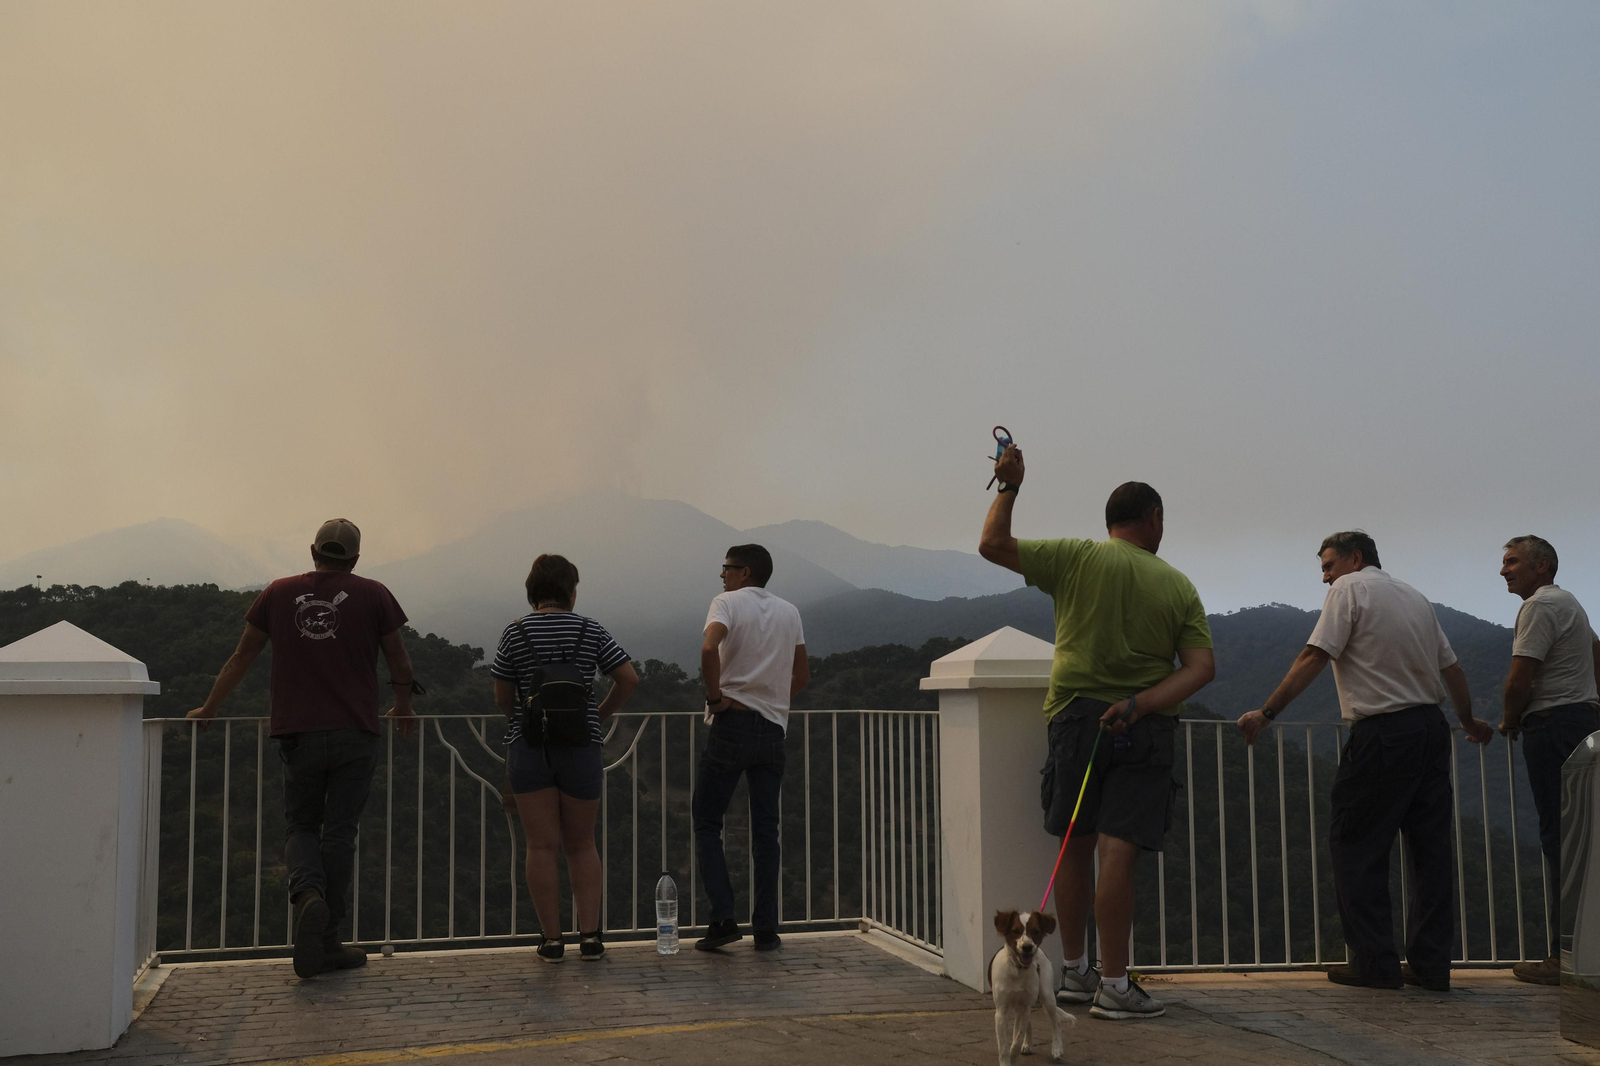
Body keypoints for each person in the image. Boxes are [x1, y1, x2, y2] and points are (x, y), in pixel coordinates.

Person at [979, 445, 1215, 1021]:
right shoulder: (1178, 585)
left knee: (1075, 846)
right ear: (1153, 518)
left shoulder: (1076, 558)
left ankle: (1077, 975)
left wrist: (1008, 485)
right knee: (1118, 853)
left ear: (1109, 522)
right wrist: (1137, 703)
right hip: (1145, 726)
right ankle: (1115, 985)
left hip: (1074, 717)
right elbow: (1201, 668)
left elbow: (991, 545)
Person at [1237, 531, 1493, 991]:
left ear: (1355, 559)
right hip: (1431, 730)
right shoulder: (1415, 597)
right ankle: (1432, 966)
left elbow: (1315, 654)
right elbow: (1450, 667)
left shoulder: (1349, 589)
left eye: (1328, 566)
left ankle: (1375, 963)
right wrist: (1468, 720)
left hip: (1383, 734)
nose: (1325, 577)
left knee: (1355, 843)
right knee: (1429, 852)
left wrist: (1268, 711)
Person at [187, 518, 416, 979]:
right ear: (354, 559)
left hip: (298, 734)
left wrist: (210, 707)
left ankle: (307, 896)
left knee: (301, 827)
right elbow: (398, 658)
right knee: (340, 834)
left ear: (313, 551)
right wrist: (404, 707)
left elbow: (242, 656)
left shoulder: (277, 592)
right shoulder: (374, 594)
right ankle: (329, 937)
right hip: (356, 733)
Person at [491, 554, 638, 963]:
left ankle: (552, 941)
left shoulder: (515, 632)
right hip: (581, 747)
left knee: (540, 846)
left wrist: (524, 719)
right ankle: (590, 936)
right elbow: (629, 678)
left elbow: (503, 696)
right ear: (571, 591)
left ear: (532, 590)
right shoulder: (589, 629)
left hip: (530, 748)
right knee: (581, 843)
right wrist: (599, 714)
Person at [693, 543, 809, 952]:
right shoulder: (789, 611)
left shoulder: (725, 603)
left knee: (707, 820)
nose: (721, 574)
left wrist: (713, 699)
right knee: (766, 831)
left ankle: (723, 919)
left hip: (732, 724)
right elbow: (802, 674)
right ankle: (766, 929)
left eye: (726, 568)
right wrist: (774, 700)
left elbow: (709, 648)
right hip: (772, 731)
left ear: (744, 572)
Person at [1497, 536, 1600, 986]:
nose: (1504, 570)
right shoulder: (1571, 603)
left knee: (1560, 839)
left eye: (1512, 561)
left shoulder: (1538, 607)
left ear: (1542, 565)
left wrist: (1508, 720)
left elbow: (1520, 679)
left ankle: (1565, 957)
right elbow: (1598, 652)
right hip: (1581, 721)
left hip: (1551, 725)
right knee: (1584, 838)